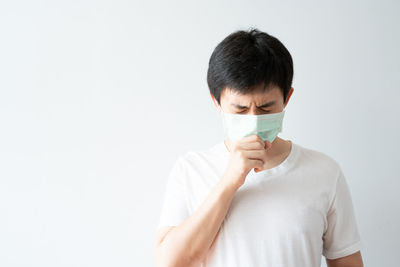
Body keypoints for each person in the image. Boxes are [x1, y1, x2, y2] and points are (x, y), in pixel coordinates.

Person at [154, 28, 364, 267]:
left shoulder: (324, 171)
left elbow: (347, 262)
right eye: (240, 109)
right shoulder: (191, 170)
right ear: (216, 102)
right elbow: (169, 262)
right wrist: (230, 180)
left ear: (286, 99)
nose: (253, 119)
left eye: (265, 108)